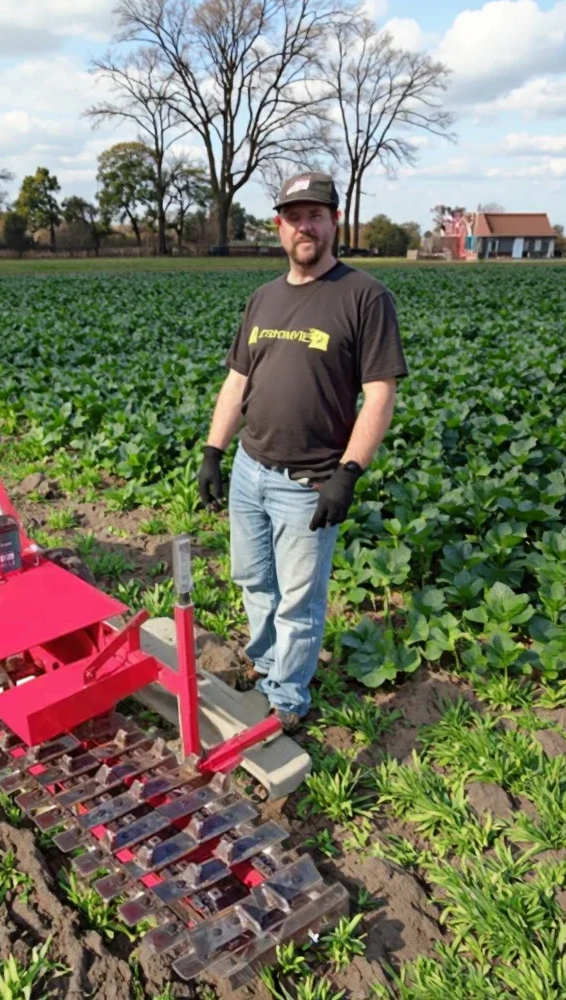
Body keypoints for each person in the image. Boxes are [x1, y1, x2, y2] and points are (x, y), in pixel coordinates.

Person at [197, 172, 408, 730]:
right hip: (249, 470)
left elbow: (380, 394)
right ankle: (266, 662)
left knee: (299, 599)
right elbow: (237, 382)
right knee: (252, 580)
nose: (304, 226)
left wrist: (349, 472)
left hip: (308, 482)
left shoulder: (365, 296)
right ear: (279, 226)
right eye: (294, 216)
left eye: (316, 214)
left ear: (335, 221)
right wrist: (214, 452)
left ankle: (287, 699)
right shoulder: (263, 298)